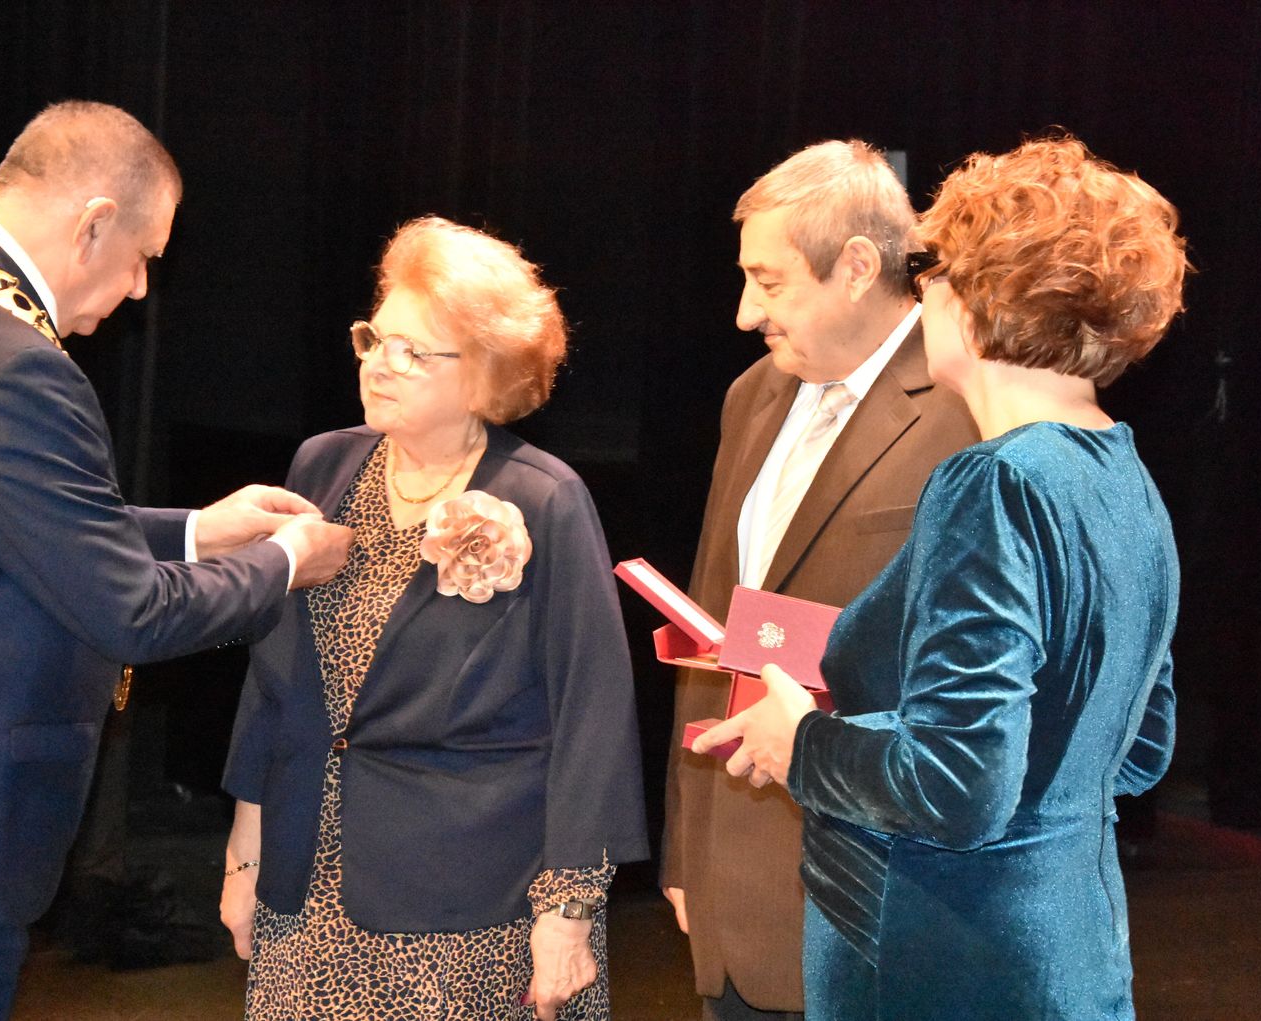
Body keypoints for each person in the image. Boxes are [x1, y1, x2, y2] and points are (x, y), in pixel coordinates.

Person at [0, 100, 353, 1019]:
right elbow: (132, 612)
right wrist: (284, 562)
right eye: (143, 256)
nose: (139, 289)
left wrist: (198, 530)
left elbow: (7, 525)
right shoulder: (14, 365)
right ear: (94, 221)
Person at [695, 136, 1187, 1020]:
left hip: (950, 962)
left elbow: (959, 786)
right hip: (1069, 946)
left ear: (980, 295)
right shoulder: (1125, 476)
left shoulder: (994, 482)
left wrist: (801, 742)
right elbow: (1139, 749)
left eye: (931, 271)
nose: (920, 292)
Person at [219, 216, 649, 1021]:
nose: (381, 362)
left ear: (485, 371)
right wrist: (248, 845)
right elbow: (275, 675)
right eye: (375, 338)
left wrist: (569, 908)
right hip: (305, 880)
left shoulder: (543, 499)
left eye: (414, 350)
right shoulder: (324, 464)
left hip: (468, 900)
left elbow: (591, 713)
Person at [662, 140, 978, 1019]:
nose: (744, 313)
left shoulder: (966, 409)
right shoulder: (752, 395)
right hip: (732, 885)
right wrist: (686, 845)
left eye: (768, 281)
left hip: (881, 892)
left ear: (857, 267)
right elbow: (715, 623)